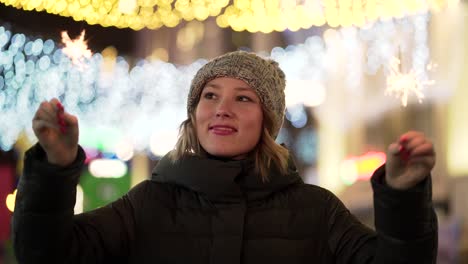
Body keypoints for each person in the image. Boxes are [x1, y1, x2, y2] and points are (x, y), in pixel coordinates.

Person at [12, 51, 437, 263]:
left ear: (267, 121)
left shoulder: (315, 209)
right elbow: (45, 254)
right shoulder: (146, 204)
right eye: (210, 96)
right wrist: (54, 167)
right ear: (194, 114)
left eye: (244, 98)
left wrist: (402, 195)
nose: (222, 108)